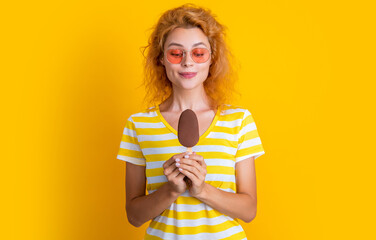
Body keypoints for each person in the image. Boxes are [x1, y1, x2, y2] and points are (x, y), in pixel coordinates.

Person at [117, 3, 265, 240]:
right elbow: (134, 216)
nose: (188, 62)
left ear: (211, 59)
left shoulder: (238, 121)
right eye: (176, 53)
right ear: (161, 60)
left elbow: (249, 211)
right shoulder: (138, 125)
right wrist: (171, 191)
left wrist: (202, 190)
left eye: (198, 53)